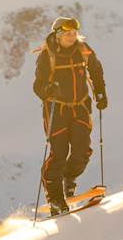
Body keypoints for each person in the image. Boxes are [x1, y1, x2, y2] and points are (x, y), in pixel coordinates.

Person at [32, 16, 107, 214]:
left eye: (74, 33)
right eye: (67, 34)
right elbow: (38, 85)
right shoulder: (47, 55)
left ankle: (69, 177)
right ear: (57, 35)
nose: (72, 37)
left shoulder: (83, 50)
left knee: (82, 151)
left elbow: (96, 71)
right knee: (59, 153)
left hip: (80, 107)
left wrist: (100, 93)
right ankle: (55, 198)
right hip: (57, 110)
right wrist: (49, 90)